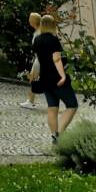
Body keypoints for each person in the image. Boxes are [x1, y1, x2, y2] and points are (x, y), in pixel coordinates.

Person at [33, 14, 78, 144]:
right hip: (57, 78)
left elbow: (38, 60)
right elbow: (57, 59)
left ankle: (54, 134)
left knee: (52, 108)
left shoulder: (37, 40)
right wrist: (63, 75)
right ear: (53, 25)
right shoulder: (53, 39)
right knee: (72, 105)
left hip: (45, 77)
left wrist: (34, 74)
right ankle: (60, 133)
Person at [19, 12, 43, 109]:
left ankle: (31, 101)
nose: (29, 20)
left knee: (33, 78)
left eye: (30, 18)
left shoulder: (39, 33)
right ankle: (30, 100)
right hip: (39, 58)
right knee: (33, 79)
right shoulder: (38, 31)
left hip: (40, 59)